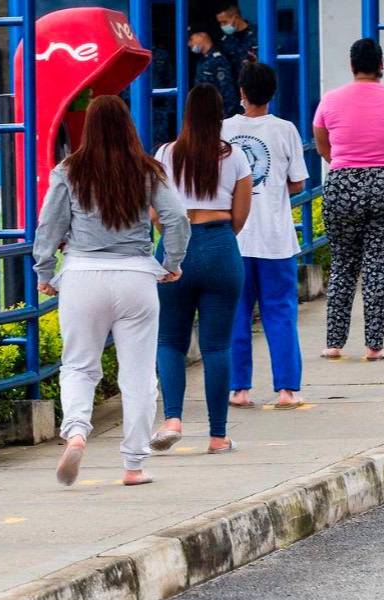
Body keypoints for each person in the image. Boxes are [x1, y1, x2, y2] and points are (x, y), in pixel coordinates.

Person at [33, 96, 190, 487]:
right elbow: (177, 218)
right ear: (127, 126)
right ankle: (134, 465)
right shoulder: (146, 169)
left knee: (79, 366)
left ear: (88, 128)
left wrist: (45, 271)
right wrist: (171, 263)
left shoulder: (68, 170)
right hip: (136, 276)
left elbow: (48, 226)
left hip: (83, 275)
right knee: (137, 375)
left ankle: (76, 432)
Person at [150, 84, 251, 455]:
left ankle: (173, 419)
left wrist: (174, 240)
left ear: (187, 114)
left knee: (169, 341)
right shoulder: (236, 157)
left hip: (176, 249)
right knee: (216, 345)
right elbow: (240, 216)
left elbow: (155, 214)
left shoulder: (166, 153)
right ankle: (218, 436)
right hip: (221, 245)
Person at [313, 38, 384, 362]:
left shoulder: (330, 101)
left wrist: (349, 165)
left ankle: (334, 343)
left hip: (344, 183)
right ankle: (374, 345)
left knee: (344, 264)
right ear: (382, 66)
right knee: (380, 265)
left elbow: (322, 146)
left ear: (352, 66)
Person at [222, 63, 308, 410]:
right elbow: (299, 182)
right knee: (281, 312)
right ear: (273, 93)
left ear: (241, 93)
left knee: (235, 314)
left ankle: (238, 389)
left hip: (234, 239)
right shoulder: (285, 130)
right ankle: (287, 389)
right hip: (276, 239)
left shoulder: (223, 129)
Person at [189, 25, 239, 118]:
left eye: (191, 39)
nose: (189, 44)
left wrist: (224, 120)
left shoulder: (218, 60)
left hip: (218, 117)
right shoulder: (201, 61)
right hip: (205, 116)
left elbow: (228, 93)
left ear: (202, 35)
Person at [216, 3, 258, 86]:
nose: (222, 26)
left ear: (235, 17)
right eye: (220, 23)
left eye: (224, 22)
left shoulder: (259, 34)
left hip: (256, 87)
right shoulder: (225, 40)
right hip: (235, 90)